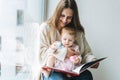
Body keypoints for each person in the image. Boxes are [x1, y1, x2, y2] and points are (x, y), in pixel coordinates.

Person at [35, 0, 99, 80]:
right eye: (62, 15)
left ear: (73, 17)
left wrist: (93, 61)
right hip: (52, 70)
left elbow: (86, 53)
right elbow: (41, 56)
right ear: (57, 13)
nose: (65, 20)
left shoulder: (77, 32)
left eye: (69, 17)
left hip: (71, 69)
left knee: (87, 76)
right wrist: (65, 52)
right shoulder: (45, 28)